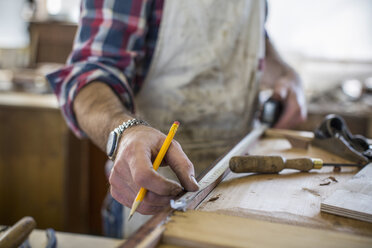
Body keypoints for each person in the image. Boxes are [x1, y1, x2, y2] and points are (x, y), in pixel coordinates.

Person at [47, 0, 306, 237]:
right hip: (155, 194)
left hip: (240, 183)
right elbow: (89, 76)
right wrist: (127, 132)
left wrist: (286, 74)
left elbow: (255, 39)